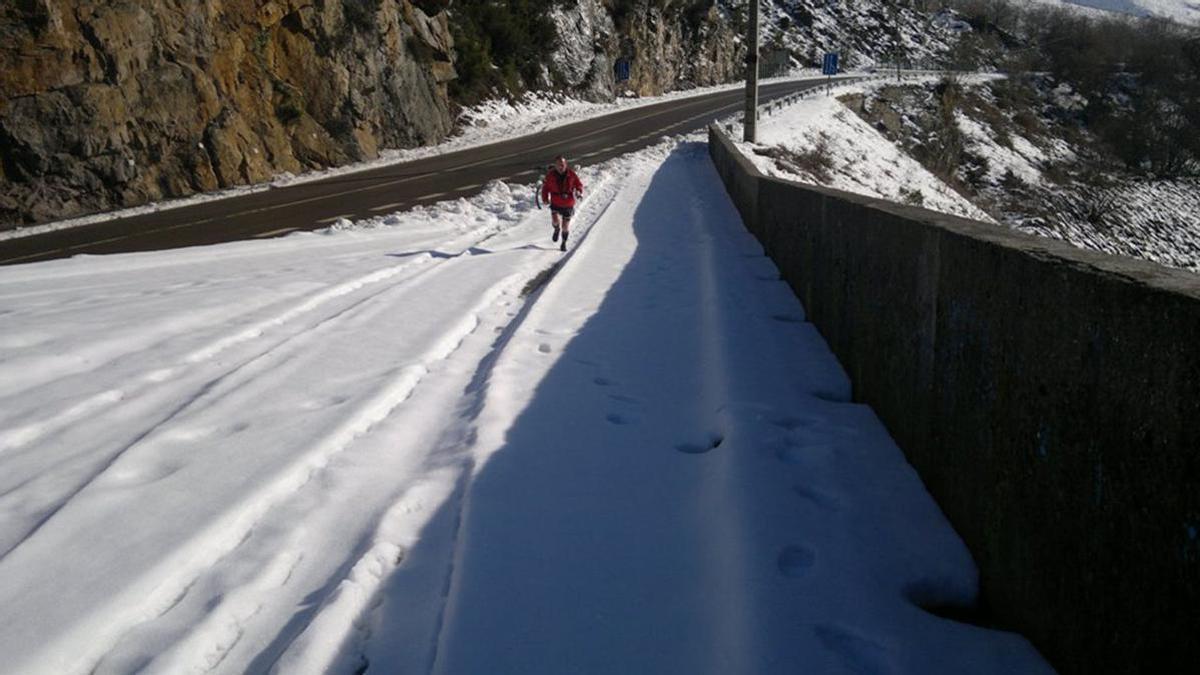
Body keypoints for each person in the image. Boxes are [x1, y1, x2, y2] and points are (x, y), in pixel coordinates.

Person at [541, 155, 584, 252]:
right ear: (555, 165)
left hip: (568, 203)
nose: (561, 167)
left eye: (563, 164)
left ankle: (564, 242)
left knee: (565, 226)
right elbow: (545, 188)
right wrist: (545, 198)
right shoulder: (550, 175)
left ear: (566, 164)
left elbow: (578, 184)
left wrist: (579, 191)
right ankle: (556, 229)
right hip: (555, 201)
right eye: (559, 165)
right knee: (555, 221)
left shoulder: (571, 174)